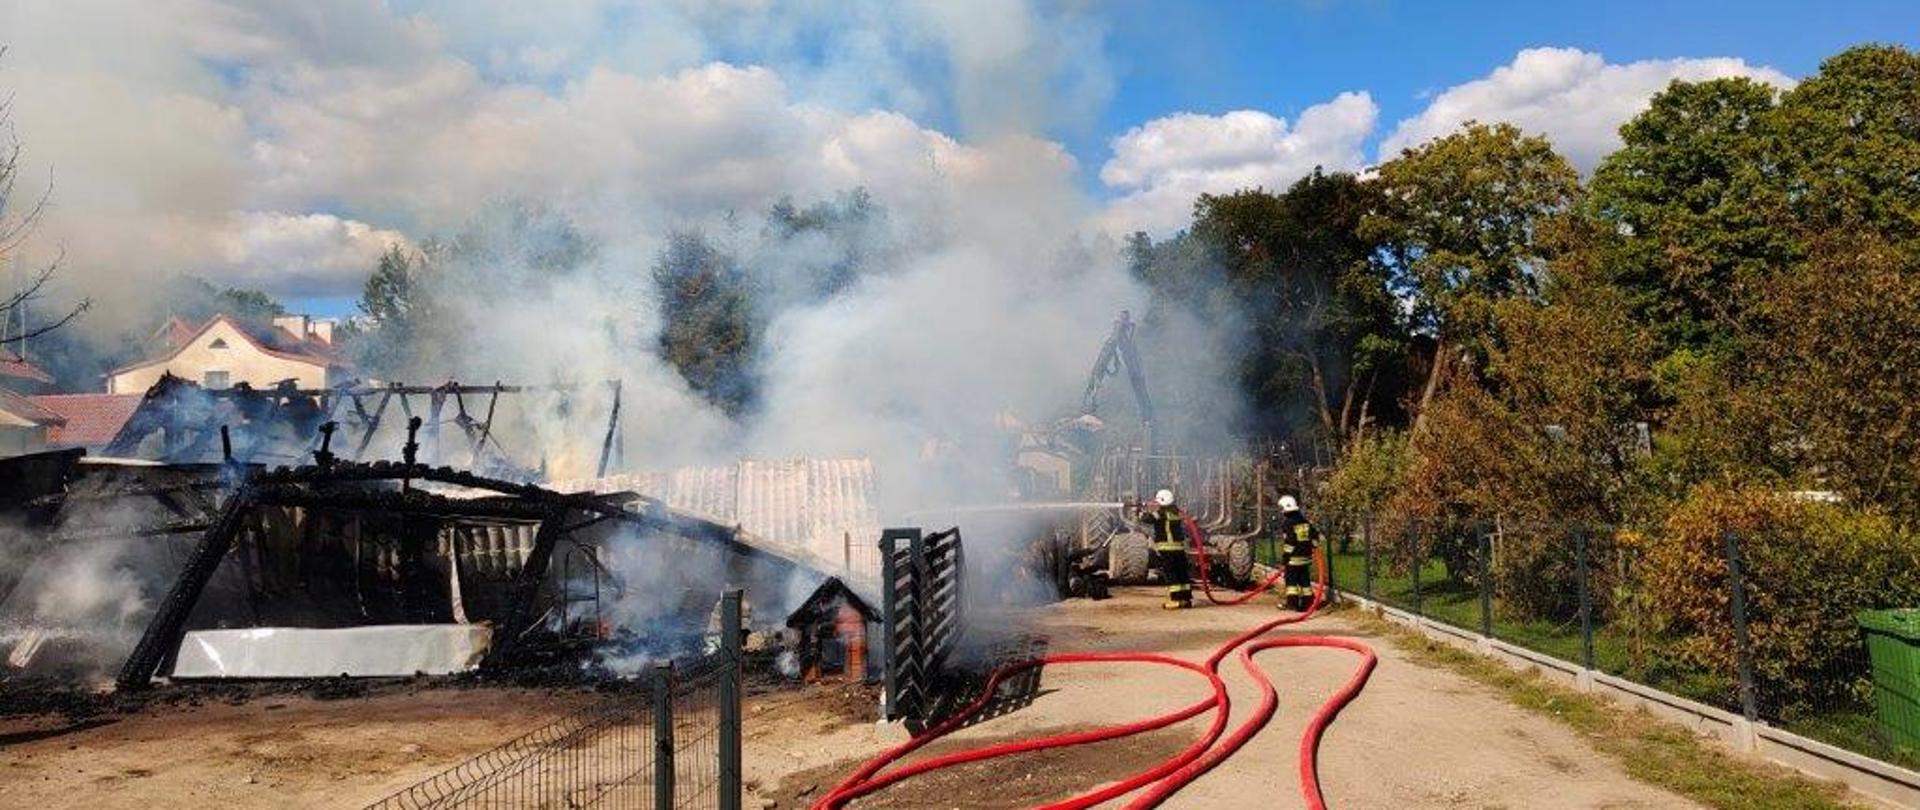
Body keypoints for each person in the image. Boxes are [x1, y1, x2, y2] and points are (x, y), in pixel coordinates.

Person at [1137, 488, 1193, 609]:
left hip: (1167, 549)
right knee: (1182, 573)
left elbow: (1147, 519)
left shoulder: (1161, 513)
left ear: (1162, 501)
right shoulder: (1176, 512)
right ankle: (1186, 599)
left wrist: (1139, 512)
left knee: (1171, 574)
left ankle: (1176, 600)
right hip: (1179, 548)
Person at [1277, 494, 1319, 610]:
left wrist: (1285, 557)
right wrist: (1313, 546)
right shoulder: (1305, 522)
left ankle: (1292, 603)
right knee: (1305, 581)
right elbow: (1315, 536)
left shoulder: (1288, 523)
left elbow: (1290, 542)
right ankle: (1308, 603)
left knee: (1291, 583)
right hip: (1306, 558)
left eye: (1282, 508)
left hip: (1293, 559)